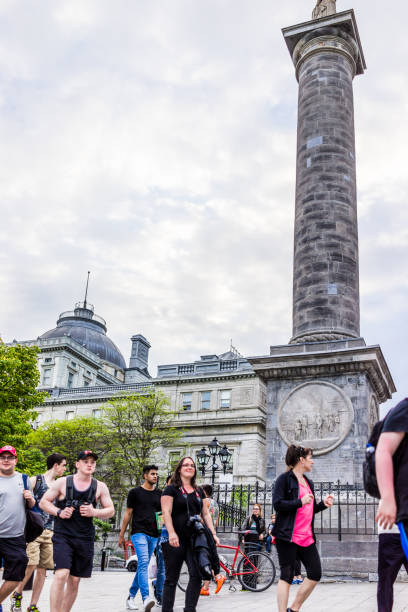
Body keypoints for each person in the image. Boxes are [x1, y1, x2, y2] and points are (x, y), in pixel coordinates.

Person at [40, 450, 114, 612]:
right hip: (63, 536)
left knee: (74, 581)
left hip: (85, 537)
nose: (89, 464)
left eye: (92, 462)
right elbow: (44, 502)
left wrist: (95, 512)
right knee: (61, 574)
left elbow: (111, 510)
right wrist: (59, 512)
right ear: (77, 464)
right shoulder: (63, 483)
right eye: (85, 461)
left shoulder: (100, 486)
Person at [272, 445, 333, 612]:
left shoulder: (308, 482)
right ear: (301, 460)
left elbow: (308, 509)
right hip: (288, 536)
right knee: (287, 576)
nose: (312, 461)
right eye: (310, 457)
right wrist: (300, 501)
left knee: (315, 574)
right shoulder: (284, 479)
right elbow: (277, 504)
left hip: (306, 537)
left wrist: (322, 505)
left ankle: (295, 608)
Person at [161, 457, 220, 612]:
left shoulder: (199, 491)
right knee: (171, 578)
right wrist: (172, 533)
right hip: (175, 539)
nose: (189, 467)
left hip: (195, 539)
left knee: (196, 575)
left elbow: (205, 514)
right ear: (179, 469)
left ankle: (189, 609)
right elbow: (166, 512)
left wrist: (213, 534)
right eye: (186, 465)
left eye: (192, 465)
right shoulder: (171, 489)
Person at [10, 453, 67, 612]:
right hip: (33, 530)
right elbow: (23, 502)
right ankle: (16, 595)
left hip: (51, 531)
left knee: (43, 569)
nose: (64, 469)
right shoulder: (37, 480)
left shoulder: (59, 486)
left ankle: (33, 605)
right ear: (55, 465)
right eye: (63, 465)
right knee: (31, 563)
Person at [375, 397, 408, 612]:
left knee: (385, 580)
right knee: (386, 579)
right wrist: (388, 498)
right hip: (393, 526)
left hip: (391, 526)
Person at [118, 465, 161, 612]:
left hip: (154, 535)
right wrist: (121, 534)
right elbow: (127, 514)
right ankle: (146, 597)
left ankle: (130, 597)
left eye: (156, 474)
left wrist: (161, 534)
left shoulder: (159, 494)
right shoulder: (134, 492)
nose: (155, 476)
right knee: (143, 562)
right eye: (152, 474)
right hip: (138, 533)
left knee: (143, 566)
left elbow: (161, 516)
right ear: (145, 476)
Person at [0, 445, 35, 612]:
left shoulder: (24, 479)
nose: (6, 460)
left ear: (15, 460)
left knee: (17, 575)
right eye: (2, 457)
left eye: (10, 457)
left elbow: (32, 504)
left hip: (16, 536)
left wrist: (30, 498)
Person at [200, 484, 225, 596]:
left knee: (207, 560)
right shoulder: (215, 504)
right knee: (210, 558)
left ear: (204, 492)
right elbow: (217, 519)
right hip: (212, 532)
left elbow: (204, 517)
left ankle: (206, 586)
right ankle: (211, 582)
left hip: (205, 532)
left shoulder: (206, 502)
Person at [153, 475, 172, 606]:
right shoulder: (162, 498)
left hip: (176, 536)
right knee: (163, 568)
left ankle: (157, 585)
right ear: (166, 483)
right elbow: (159, 520)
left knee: (169, 569)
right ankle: (160, 595)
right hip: (163, 536)